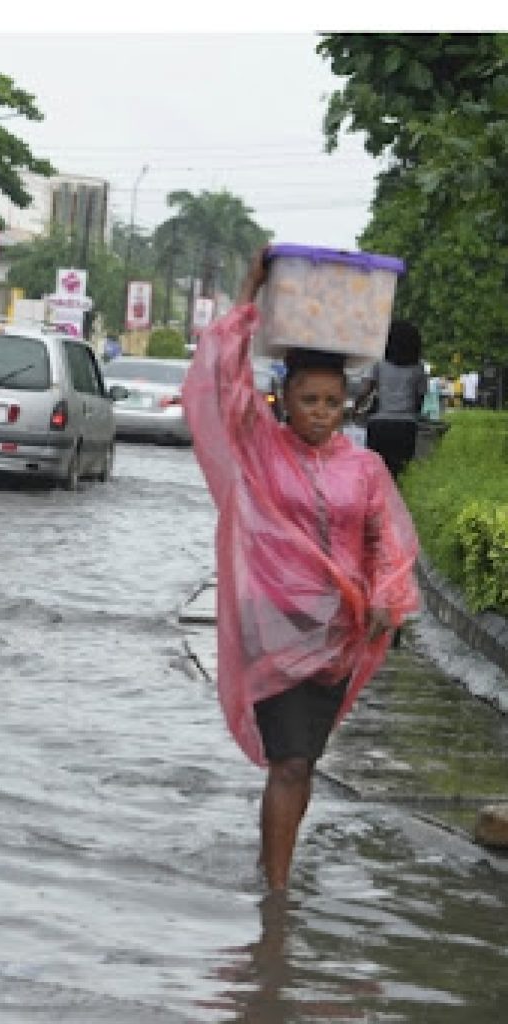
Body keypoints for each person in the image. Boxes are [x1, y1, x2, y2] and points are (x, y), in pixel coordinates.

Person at [180, 249, 420, 892]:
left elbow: (387, 541)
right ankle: (278, 897)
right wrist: (249, 288)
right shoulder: (259, 446)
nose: (321, 411)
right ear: (282, 399)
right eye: (308, 399)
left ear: (349, 402)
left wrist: (385, 597)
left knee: (303, 760)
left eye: (333, 401)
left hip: (339, 636)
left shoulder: (363, 469)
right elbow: (222, 378)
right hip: (275, 627)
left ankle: (272, 866)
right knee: (289, 760)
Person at [356, 320, 428, 478]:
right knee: (400, 473)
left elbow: (365, 390)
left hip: (379, 424)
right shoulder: (418, 367)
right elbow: (420, 397)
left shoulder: (379, 363)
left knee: (377, 473)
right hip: (406, 426)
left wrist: (356, 407)